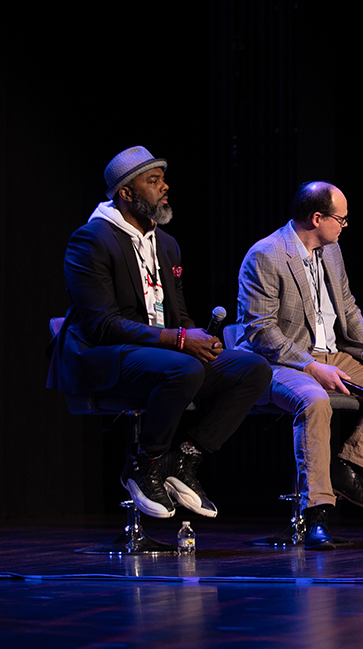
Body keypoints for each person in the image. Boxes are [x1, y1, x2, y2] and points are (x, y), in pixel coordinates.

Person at [48, 146, 272, 520]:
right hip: (104, 354)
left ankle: (184, 460)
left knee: (252, 369)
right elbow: (101, 324)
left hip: (160, 354)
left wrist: (197, 336)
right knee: (184, 369)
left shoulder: (166, 244)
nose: (164, 187)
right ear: (125, 192)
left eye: (162, 179)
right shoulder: (90, 240)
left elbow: (178, 316)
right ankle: (144, 464)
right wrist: (181, 342)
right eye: (152, 181)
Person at [236, 181, 363, 549]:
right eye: (342, 218)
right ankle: (317, 512)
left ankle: (347, 464)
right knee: (315, 400)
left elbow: (348, 305)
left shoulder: (332, 250)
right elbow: (259, 330)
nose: (346, 225)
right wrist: (309, 366)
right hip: (278, 361)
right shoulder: (266, 255)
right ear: (316, 217)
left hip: (331, 353)